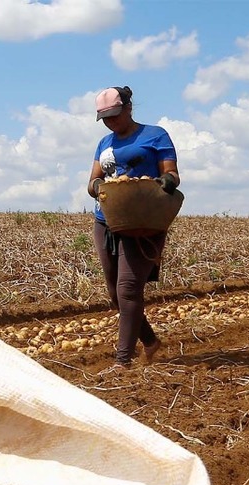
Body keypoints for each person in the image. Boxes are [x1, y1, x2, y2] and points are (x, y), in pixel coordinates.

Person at [87, 85, 180, 371]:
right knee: (116, 294)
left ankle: (122, 360)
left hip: (142, 222)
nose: (111, 122)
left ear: (129, 108)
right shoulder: (104, 144)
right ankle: (150, 341)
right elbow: (92, 183)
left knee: (128, 288)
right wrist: (99, 185)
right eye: (106, 118)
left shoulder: (155, 135)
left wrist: (167, 182)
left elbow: (172, 174)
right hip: (107, 221)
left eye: (115, 115)